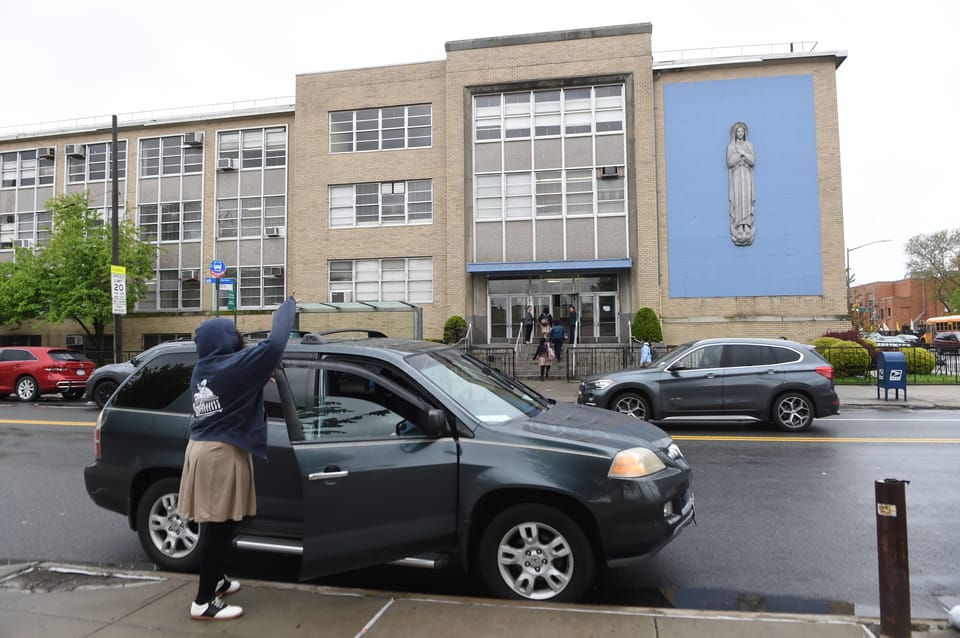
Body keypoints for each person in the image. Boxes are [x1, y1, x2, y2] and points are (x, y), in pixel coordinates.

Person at [177, 293, 297, 621]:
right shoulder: (231, 367)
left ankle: (216, 580)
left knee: (223, 524)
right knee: (219, 528)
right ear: (226, 341)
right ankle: (203, 602)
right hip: (219, 453)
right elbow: (274, 346)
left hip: (206, 449)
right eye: (235, 336)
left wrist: (258, 375)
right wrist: (286, 307)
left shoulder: (205, 367)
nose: (239, 339)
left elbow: (238, 384)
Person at [726, 121, 756, 246]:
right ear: (735, 133)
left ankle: (747, 225)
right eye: (738, 131)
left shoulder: (749, 145)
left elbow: (752, 161)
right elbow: (730, 162)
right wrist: (740, 156)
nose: (740, 133)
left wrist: (744, 154)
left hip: (746, 175)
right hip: (737, 176)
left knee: (746, 199)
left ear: (744, 133)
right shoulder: (731, 146)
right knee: (738, 200)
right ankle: (739, 226)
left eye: (742, 131)